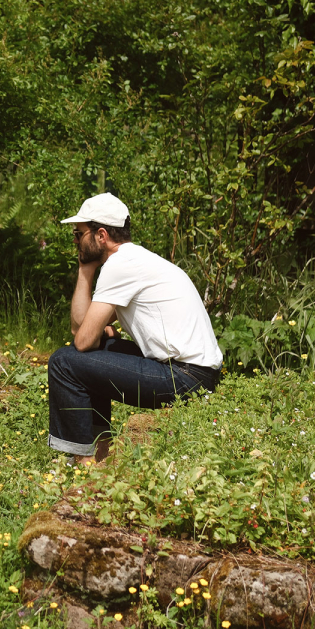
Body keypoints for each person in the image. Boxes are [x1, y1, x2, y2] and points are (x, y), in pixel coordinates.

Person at [47, 193, 222, 464]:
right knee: (99, 347)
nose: (75, 240)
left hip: (185, 378)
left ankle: (83, 461)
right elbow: (80, 328)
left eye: (78, 234)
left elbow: (81, 342)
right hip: (195, 375)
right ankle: (99, 453)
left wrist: (95, 333)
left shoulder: (121, 266)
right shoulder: (133, 260)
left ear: (101, 235)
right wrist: (85, 269)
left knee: (63, 362)